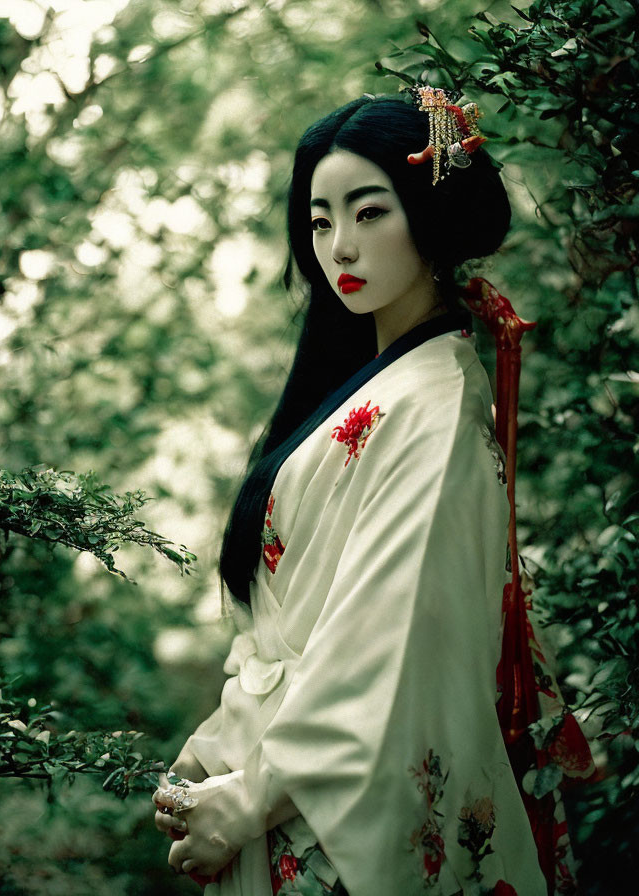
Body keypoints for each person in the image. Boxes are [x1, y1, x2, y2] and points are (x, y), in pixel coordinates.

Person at [152, 91, 550, 896]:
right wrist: (226, 742)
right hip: (285, 778)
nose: (342, 246)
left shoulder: (431, 405)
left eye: (369, 213)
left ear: (429, 216)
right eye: (321, 220)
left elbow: (383, 636)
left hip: (318, 801)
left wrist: (255, 796)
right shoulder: (382, 386)